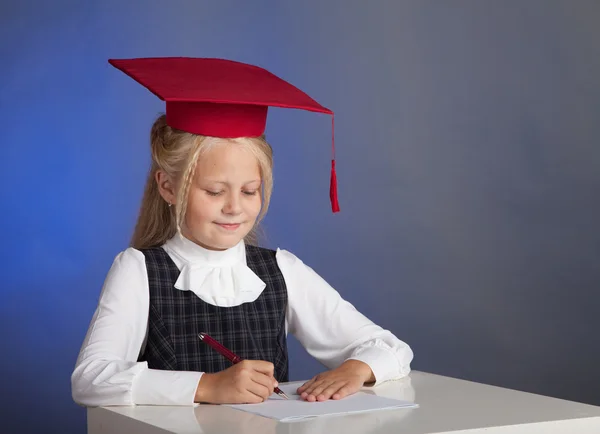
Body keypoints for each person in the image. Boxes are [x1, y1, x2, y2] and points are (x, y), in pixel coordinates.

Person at [71, 57, 413, 406]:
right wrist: (207, 386)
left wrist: (354, 369)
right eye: (215, 191)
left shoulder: (281, 270)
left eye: (250, 191)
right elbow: (91, 379)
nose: (235, 207)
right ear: (168, 188)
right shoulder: (138, 271)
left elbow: (391, 349)